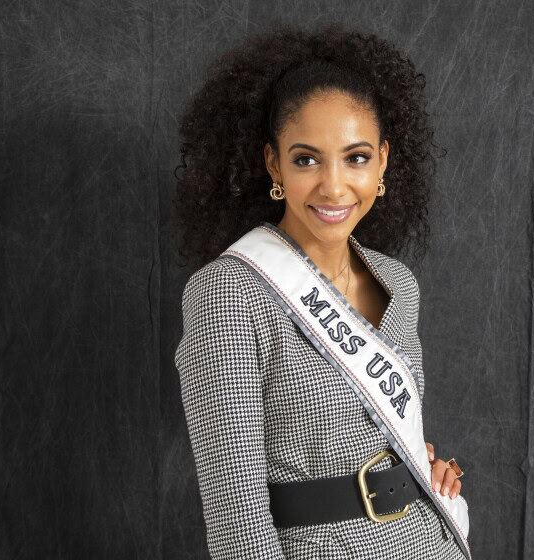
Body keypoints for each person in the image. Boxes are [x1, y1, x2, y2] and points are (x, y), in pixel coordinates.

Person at [172, 23, 469, 560]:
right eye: (307, 159)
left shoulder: (398, 283)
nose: (333, 186)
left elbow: (381, 430)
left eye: (356, 157)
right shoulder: (228, 293)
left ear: (383, 161)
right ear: (274, 163)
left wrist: (417, 471)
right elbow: (237, 524)